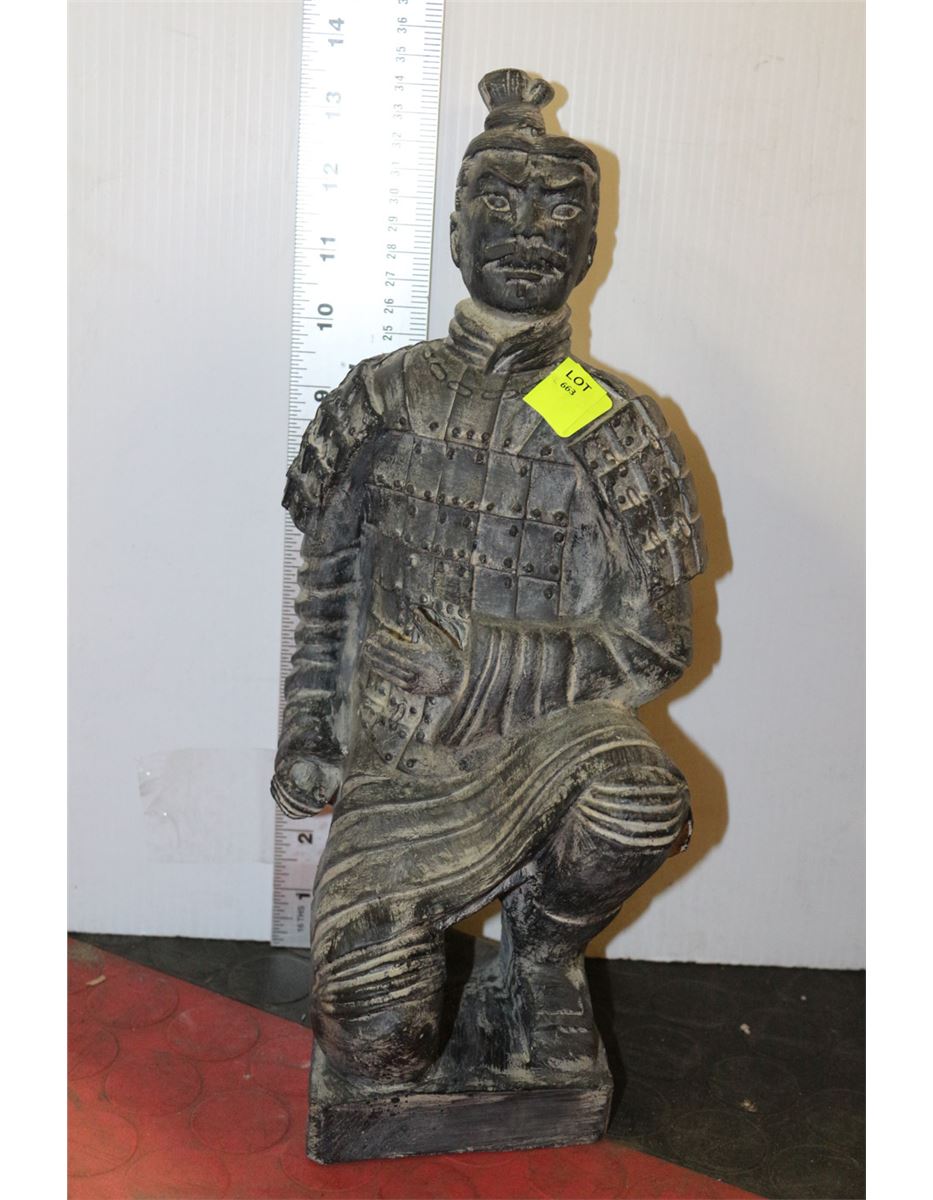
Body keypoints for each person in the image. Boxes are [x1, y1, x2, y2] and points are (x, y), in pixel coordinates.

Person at [272, 68, 706, 1086]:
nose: (528, 229)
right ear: (455, 232)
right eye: (499, 203)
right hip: (400, 763)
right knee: (377, 1055)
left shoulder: (610, 420)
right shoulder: (381, 395)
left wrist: (479, 661)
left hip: (552, 743)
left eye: (559, 211)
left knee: (640, 799)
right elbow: (327, 585)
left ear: (589, 248)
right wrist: (310, 730)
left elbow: (655, 642)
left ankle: (540, 963)